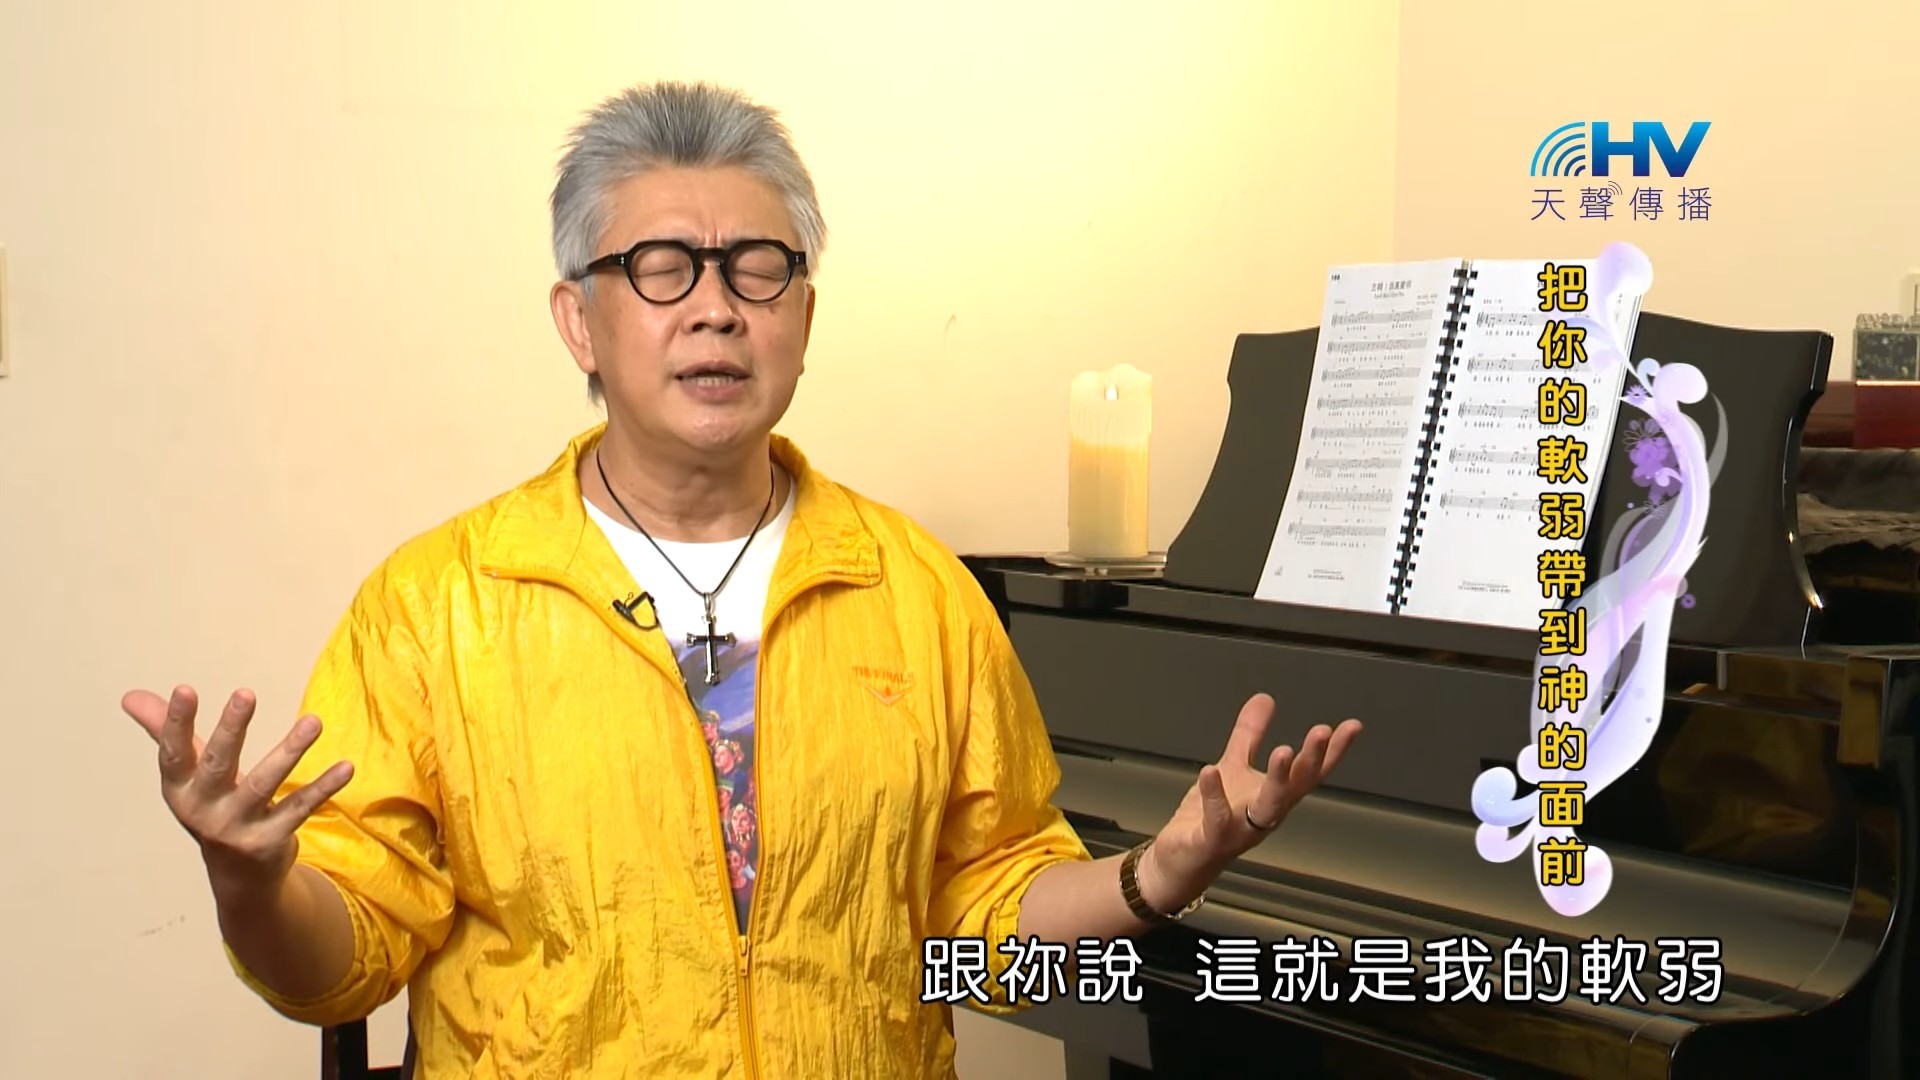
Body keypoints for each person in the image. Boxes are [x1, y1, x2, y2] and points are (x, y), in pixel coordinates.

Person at [121, 80, 1363, 1078]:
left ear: (803, 317)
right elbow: (342, 962)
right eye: (662, 266)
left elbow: (984, 919)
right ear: (578, 320)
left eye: (755, 267)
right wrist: (251, 880)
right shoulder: (439, 605)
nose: (715, 309)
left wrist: (1161, 872)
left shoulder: (916, 591)